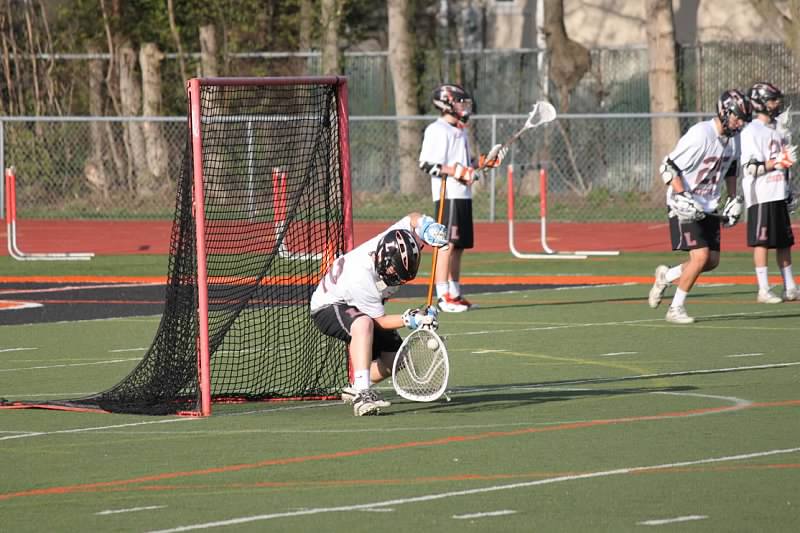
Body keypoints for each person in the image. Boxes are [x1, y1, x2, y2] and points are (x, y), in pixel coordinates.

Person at [310, 212, 448, 416]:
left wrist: (428, 225)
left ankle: (355, 386)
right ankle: (363, 394)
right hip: (328, 306)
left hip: (356, 305)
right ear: (384, 261)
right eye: (394, 271)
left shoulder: (396, 238)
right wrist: (410, 319)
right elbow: (378, 322)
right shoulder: (361, 276)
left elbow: (412, 218)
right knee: (363, 324)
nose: (396, 277)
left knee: (397, 362)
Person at [647, 90, 750, 324]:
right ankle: (675, 308)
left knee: (711, 261)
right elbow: (669, 166)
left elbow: (731, 167)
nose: (740, 123)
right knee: (700, 256)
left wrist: (732, 197)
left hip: (708, 204)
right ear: (724, 112)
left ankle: (667, 276)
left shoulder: (734, 139)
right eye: (737, 117)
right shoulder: (701, 135)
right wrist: (682, 196)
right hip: (684, 203)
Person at [418, 83, 506, 312]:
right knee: (445, 244)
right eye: (459, 102)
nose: (464, 106)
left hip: (463, 196)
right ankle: (443, 295)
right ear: (446, 103)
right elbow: (427, 164)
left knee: (458, 247)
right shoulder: (437, 130)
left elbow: (466, 164)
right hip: (448, 196)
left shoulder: (460, 130)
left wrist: (484, 162)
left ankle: (455, 293)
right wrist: (458, 172)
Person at [739, 81, 798, 303]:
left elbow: (786, 163)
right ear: (761, 103)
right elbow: (750, 168)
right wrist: (776, 163)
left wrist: (788, 187)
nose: (777, 104)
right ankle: (763, 289)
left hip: (777, 191)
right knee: (761, 242)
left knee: (784, 242)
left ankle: (790, 286)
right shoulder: (751, 130)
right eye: (772, 100)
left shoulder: (778, 129)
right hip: (761, 193)